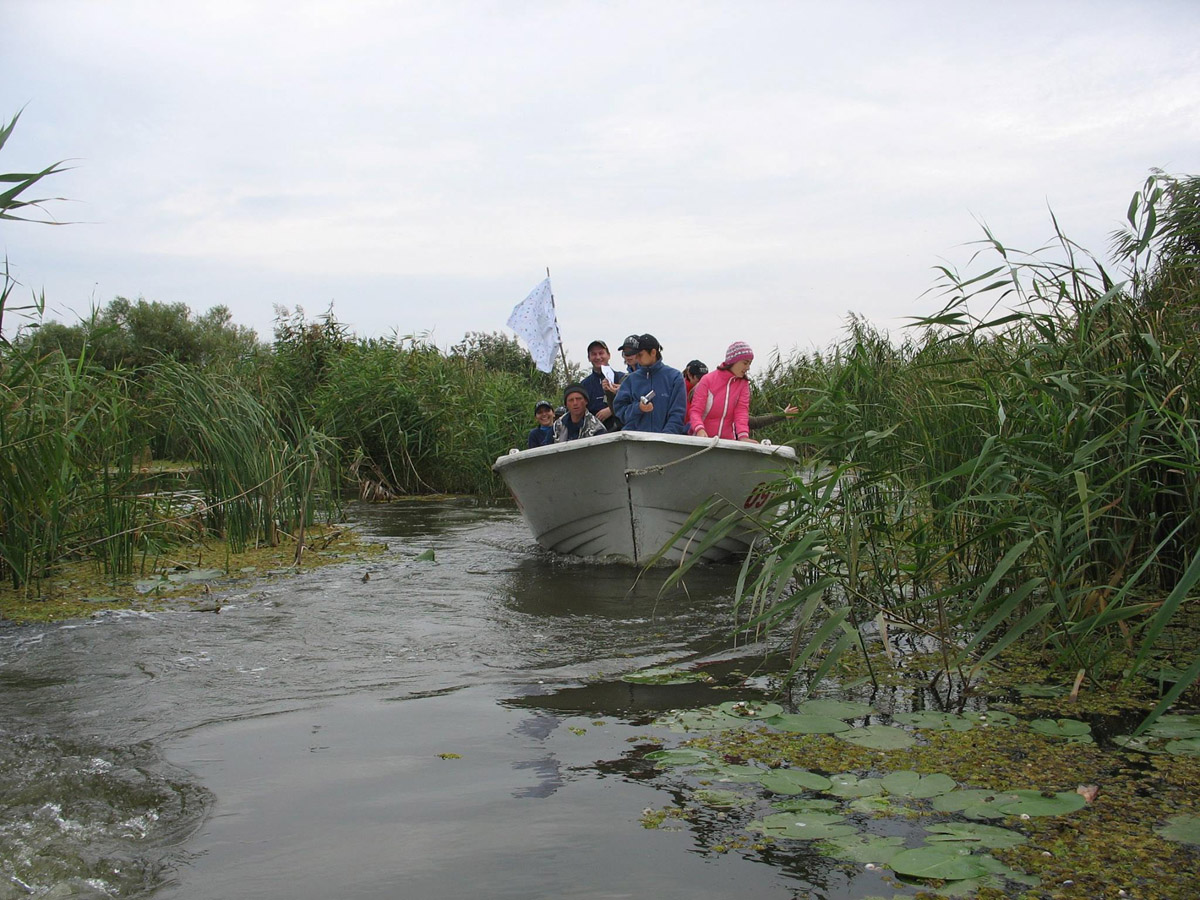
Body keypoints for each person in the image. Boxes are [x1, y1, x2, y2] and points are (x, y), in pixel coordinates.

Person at [612, 334, 688, 434]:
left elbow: (677, 413)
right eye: (636, 355)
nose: (637, 358)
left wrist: (665, 438)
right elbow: (620, 410)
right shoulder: (630, 380)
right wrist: (637, 408)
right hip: (635, 442)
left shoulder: (674, 377)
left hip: (665, 442)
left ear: (653, 352)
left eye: (640, 354)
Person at [688, 340, 757, 442]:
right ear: (733, 361)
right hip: (702, 440)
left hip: (728, 442)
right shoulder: (707, 380)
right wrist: (700, 430)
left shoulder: (744, 384)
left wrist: (743, 437)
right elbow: (695, 411)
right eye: (745, 363)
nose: (748, 368)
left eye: (749, 364)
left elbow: (741, 413)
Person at [579, 339, 624, 431]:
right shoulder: (584, 385)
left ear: (609, 355)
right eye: (594, 354)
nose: (598, 357)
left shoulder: (622, 378)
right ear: (589, 358)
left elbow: (631, 402)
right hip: (595, 433)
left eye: (601, 353)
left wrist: (611, 410)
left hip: (621, 430)